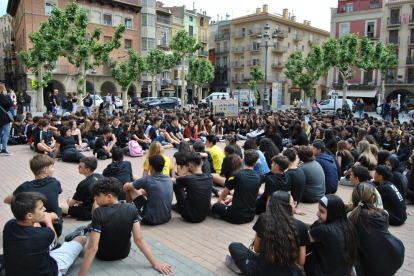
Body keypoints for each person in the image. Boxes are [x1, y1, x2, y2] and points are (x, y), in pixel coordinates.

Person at [78, 177, 172, 275]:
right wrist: (155, 263)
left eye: (97, 195)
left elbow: (92, 247)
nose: (95, 198)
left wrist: (81, 274)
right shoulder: (131, 208)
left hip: (103, 255)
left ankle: (92, 227)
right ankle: (93, 227)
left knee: (94, 207)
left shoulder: (98, 213)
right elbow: (138, 238)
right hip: (123, 253)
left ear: (109, 197)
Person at [3, 192, 87, 276]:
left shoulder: (9, 226)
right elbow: (54, 241)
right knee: (81, 239)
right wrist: (48, 219)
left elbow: (23, 222)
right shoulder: (44, 234)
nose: (44, 209)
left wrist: (39, 219)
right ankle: (75, 236)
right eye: (41, 208)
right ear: (29, 215)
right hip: (50, 271)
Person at [226, 191, 310, 275]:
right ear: (287, 206)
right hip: (289, 273)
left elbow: (257, 249)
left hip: (262, 271)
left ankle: (242, 267)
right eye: (293, 203)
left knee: (235, 246)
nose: (294, 205)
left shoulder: (263, 219)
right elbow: (301, 262)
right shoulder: (302, 226)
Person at [348, 183, 405, 276]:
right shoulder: (383, 213)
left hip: (373, 269)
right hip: (396, 255)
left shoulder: (350, 216)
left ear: (353, 199)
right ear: (373, 198)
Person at [4, 154, 63, 237]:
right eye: (52, 167)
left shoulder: (25, 187)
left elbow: (7, 200)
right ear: (45, 170)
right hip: (56, 228)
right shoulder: (55, 182)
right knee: (57, 194)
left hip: (33, 230)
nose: (53, 170)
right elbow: (61, 189)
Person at [303, 195, 358, 276]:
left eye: (322, 211)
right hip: (344, 272)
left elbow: (302, 238)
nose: (317, 214)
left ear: (332, 212)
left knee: (305, 242)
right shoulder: (348, 226)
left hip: (320, 272)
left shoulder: (325, 230)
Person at [212, 149, 261, 224]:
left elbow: (224, 193)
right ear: (255, 163)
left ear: (243, 160)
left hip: (235, 216)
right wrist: (231, 199)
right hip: (250, 216)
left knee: (211, 202)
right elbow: (247, 193)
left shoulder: (236, 175)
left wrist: (219, 201)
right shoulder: (258, 178)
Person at [123, 155, 173, 225]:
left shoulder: (147, 179)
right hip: (167, 217)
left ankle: (127, 212)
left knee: (130, 189)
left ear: (151, 167)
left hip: (150, 219)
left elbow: (126, 187)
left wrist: (129, 184)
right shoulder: (168, 178)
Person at [172, 152, 213, 223]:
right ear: (202, 163)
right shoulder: (209, 177)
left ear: (190, 165)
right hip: (204, 214)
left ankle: (178, 206)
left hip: (189, 216)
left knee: (176, 183)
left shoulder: (188, 179)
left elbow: (173, 180)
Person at [61, 156, 104, 221]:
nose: (78, 168)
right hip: (101, 207)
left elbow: (71, 204)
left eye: (80, 166)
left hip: (87, 212)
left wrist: (70, 200)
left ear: (87, 170)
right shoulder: (100, 176)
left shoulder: (84, 184)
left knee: (60, 206)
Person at [0, 83, 13, 156]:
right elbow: (10, 104)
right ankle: (4, 149)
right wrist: (10, 96)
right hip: (4, 117)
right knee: (5, 133)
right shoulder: (2, 96)